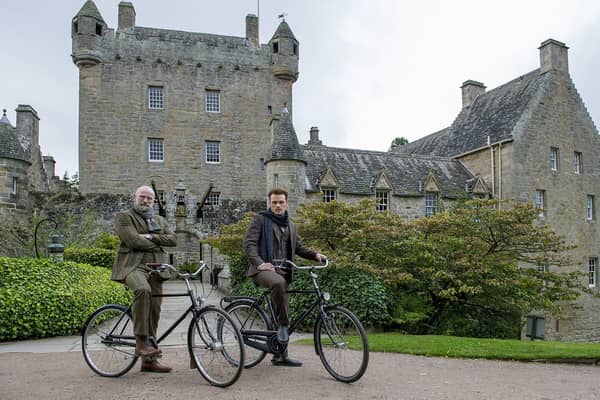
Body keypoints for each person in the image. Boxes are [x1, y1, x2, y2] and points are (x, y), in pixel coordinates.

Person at [243, 188, 326, 367]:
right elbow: (249, 245)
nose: (278, 205)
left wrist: (315, 255)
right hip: (262, 270)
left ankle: (280, 355)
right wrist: (259, 263)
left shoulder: (291, 224)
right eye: (274, 202)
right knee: (279, 287)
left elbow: (299, 248)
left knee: (282, 307)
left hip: (283, 272)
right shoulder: (260, 219)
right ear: (269, 203)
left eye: (281, 202)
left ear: (286, 203)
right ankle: (282, 326)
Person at [112, 185, 177, 373]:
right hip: (133, 266)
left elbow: (173, 240)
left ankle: (149, 361)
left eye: (150, 198)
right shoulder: (125, 217)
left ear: (154, 201)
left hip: (156, 270)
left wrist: (148, 236)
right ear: (135, 196)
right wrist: (158, 239)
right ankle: (140, 342)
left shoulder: (159, 219)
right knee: (142, 290)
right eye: (143, 197)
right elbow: (133, 241)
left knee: (154, 312)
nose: (146, 201)